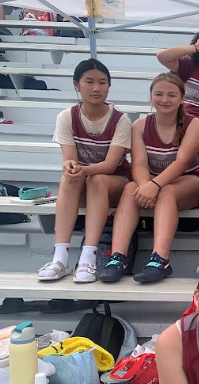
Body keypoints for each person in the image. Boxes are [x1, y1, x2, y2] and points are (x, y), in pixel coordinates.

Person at [98, 73, 199, 283]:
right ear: (151, 96)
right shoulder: (139, 125)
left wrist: (154, 185)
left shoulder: (193, 124)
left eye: (171, 95)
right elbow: (139, 164)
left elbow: (182, 162)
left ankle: (160, 260)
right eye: (158, 94)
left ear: (182, 99)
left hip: (191, 180)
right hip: (154, 180)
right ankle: (117, 257)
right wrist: (144, 188)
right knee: (131, 188)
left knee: (167, 191)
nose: (164, 99)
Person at [36, 59, 131, 284]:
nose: (96, 88)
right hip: (84, 182)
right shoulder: (66, 117)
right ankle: (60, 258)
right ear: (76, 84)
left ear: (109, 85)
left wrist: (81, 169)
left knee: (97, 179)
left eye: (102, 82)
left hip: (115, 181)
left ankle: (88, 257)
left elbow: (109, 166)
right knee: (67, 179)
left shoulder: (121, 120)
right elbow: (69, 160)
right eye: (89, 82)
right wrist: (70, 167)